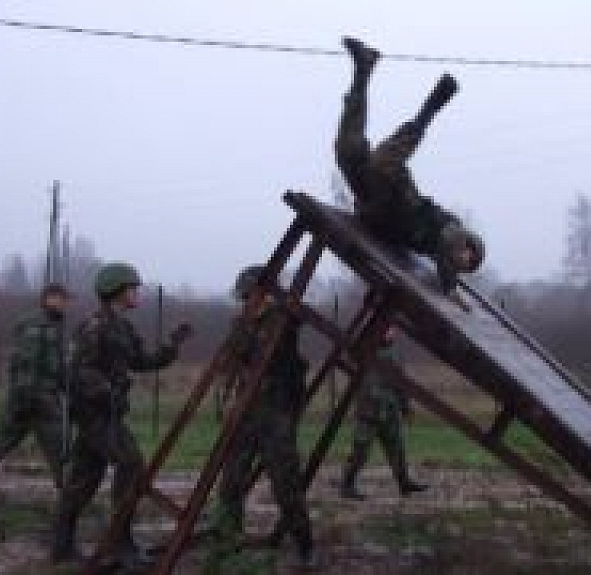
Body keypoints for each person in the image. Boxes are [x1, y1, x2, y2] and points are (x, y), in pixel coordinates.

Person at [52, 262, 192, 567]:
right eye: (132, 287)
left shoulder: (122, 327)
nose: (137, 292)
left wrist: (172, 345)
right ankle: (120, 543)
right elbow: (77, 371)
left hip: (106, 413)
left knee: (84, 479)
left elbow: (141, 361)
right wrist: (104, 389)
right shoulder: (94, 326)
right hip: (96, 415)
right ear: (116, 291)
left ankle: (61, 547)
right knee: (131, 465)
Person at [334, 37, 485, 292]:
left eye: (467, 265)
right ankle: (432, 105)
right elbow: (450, 248)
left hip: (373, 204)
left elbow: (447, 266)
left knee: (348, 149)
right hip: (398, 196)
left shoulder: (446, 256)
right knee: (383, 162)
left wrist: (451, 286)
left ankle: (363, 68)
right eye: (468, 256)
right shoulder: (453, 233)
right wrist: (450, 281)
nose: (464, 259)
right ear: (468, 244)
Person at [210, 265, 316, 568]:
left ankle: (304, 544)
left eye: (251, 296)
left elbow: (299, 317)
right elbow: (230, 360)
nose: (246, 302)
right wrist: (227, 386)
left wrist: (281, 302)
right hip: (246, 410)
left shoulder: (284, 319)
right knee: (231, 480)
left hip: (276, 412)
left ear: (266, 294)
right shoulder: (241, 324)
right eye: (244, 298)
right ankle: (229, 539)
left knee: (285, 482)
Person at [0, 283, 71, 499]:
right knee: (58, 450)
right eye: (62, 298)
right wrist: (38, 395)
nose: (65, 303)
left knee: (1, 445)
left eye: (66, 299)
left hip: (28, 398)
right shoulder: (40, 327)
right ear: (48, 298)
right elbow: (34, 364)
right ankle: (69, 500)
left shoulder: (48, 325)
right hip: (38, 399)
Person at [340, 326, 427, 499]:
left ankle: (404, 483)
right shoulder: (365, 352)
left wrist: (406, 407)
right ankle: (347, 485)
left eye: (393, 331)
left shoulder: (395, 355)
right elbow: (350, 356)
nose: (391, 334)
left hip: (390, 410)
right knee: (360, 451)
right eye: (388, 330)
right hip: (369, 410)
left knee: (397, 449)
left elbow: (401, 384)